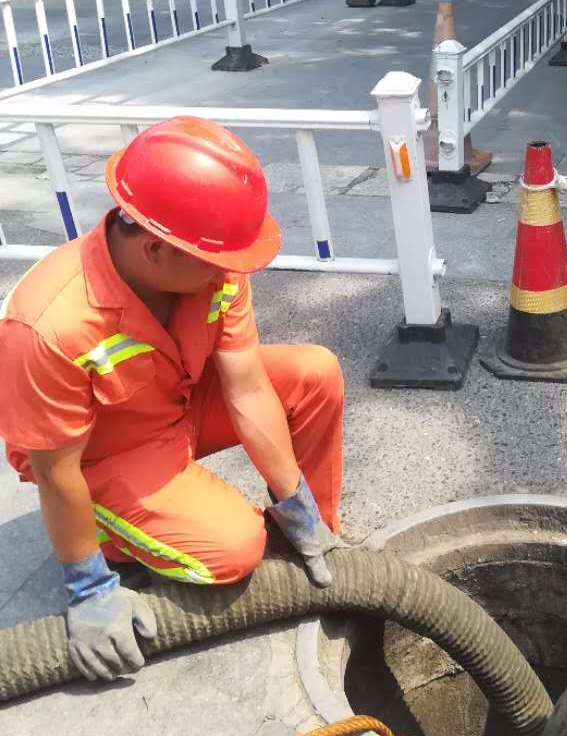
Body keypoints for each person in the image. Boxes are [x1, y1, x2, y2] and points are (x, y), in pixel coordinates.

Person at [0, 116, 344, 682]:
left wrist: (296, 504)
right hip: (101, 456)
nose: (231, 272)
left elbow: (248, 386)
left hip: (179, 404)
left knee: (314, 372)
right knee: (234, 549)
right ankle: (114, 541)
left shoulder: (210, 265)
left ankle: (313, 540)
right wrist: (89, 587)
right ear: (156, 250)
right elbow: (57, 469)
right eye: (218, 261)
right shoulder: (48, 324)